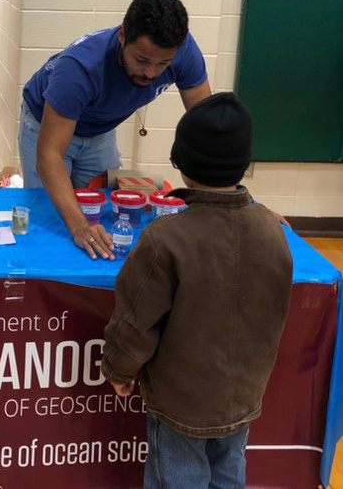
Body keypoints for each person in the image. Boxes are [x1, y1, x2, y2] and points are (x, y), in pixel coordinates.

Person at [102, 92, 293, 489]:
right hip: (244, 395)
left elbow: (136, 322)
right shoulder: (274, 229)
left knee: (177, 479)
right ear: (245, 163)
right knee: (229, 472)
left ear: (181, 165)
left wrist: (119, 369)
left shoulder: (165, 240)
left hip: (180, 403)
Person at [19, 0, 211, 259]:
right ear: (122, 36)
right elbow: (49, 155)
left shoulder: (184, 52)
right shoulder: (80, 68)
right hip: (46, 123)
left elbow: (208, 128)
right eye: (142, 60)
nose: (151, 73)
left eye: (163, 64)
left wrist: (230, 203)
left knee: (102, 214)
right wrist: (79, 227)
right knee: (54, 218)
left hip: (101, 128)